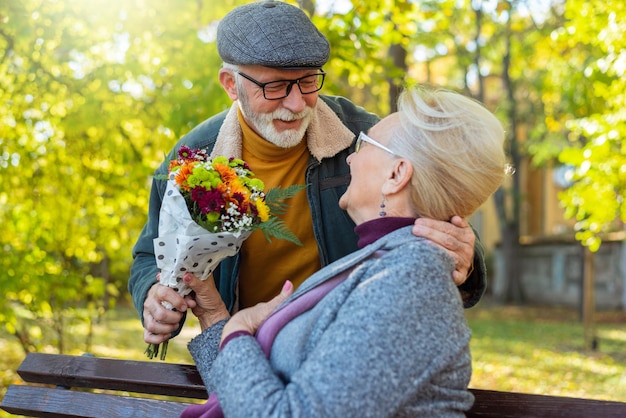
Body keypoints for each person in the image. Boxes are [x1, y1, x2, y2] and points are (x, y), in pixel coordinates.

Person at [129, 0, 485, 350]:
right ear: (231, 84)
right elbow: (150, 254)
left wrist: (464, 255)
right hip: (238, 346)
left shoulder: (364, 139)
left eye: (308, 81)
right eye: (276, 87)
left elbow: (440, 203)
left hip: (349, 347)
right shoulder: (194, 159)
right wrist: (152, 295)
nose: (297, 103)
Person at [179, 84, 507, 417]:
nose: (351, 156)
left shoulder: (409, 282)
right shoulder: (377, 263)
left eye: (364, 144)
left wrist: (238, 331)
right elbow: (245, 400)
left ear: (396, 175)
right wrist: (215, 318)